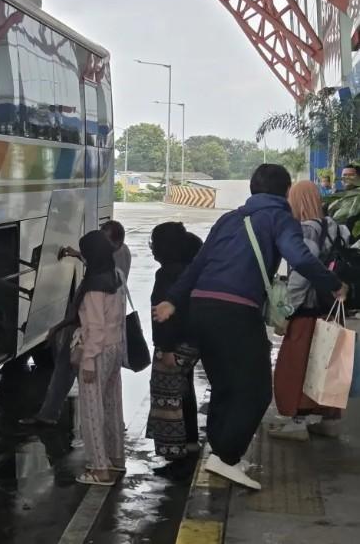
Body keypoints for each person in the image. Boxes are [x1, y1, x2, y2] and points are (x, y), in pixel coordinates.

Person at [153, 164, 346, 490]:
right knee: (256, 392)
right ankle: (225, 457)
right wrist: (333, 283)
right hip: (236, 311)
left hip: (202, 308)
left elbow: (198, 264)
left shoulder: (230, 218)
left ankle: (223, 454)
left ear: (253, 189)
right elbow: (298, 257)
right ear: (285, 192)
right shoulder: (278, 217)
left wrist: (173, 300)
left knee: (226, 387)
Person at [22, 219, 131, 428]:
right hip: (98, 334)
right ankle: (109, 425)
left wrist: (63, 326)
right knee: (87, 378)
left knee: (76, 372)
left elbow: (93, 319)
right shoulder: (113, 258)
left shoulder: (102, 278)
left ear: (115, 243)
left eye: (103, 239)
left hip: (88, 335)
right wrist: (78, 254)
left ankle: (90, 431)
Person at [270, 181, 349, 441]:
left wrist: (287, 310)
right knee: (326, 363)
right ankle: (328, 420)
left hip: (308, 309)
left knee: (297, 365)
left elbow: (301, 275)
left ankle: (297, 422)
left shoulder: (304, 230)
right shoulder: (335, 227)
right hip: (331, 307)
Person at [146, 223, 201, 476]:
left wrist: (166, 349)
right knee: (184, 393)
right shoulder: (190, 268)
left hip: (174, 345)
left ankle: (176, 458)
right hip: (192, 341)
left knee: (169, 400)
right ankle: (190, 444)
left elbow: (164, 314)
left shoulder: (168, 273)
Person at [74, 231, 126, 487]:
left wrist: (87, 361)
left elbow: (95, 328)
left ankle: (99, 468)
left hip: (97, 351)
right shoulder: (116, 276)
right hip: (115, 348)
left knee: (92, 410)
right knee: (112, 404)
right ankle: (116, 458)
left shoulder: (94, 287)